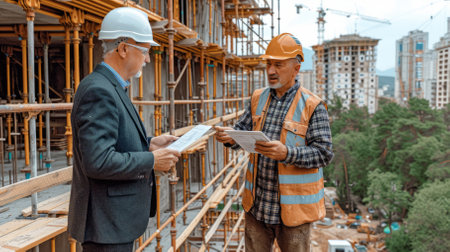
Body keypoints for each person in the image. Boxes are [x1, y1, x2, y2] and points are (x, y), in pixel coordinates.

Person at [68, 7, 180, 252]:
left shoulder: (112, 87)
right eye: (145, 51)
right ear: (123, 49)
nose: (148, 59)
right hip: (105, 226)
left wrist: (149, 143)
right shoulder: (99, 90)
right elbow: (98, 161)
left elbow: (113, 142)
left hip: (113, 223)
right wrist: (151, 160)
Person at [215, 33, 334, 252]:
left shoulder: (312, 106)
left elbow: (324, 153)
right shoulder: (258, 98)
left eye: (278, 65)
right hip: (257, 208)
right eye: (269, 64)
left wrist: (287, 154)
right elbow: (243, 131)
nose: (270, 71)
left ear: (296, 69)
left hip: (294, 215)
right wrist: (230, 137)